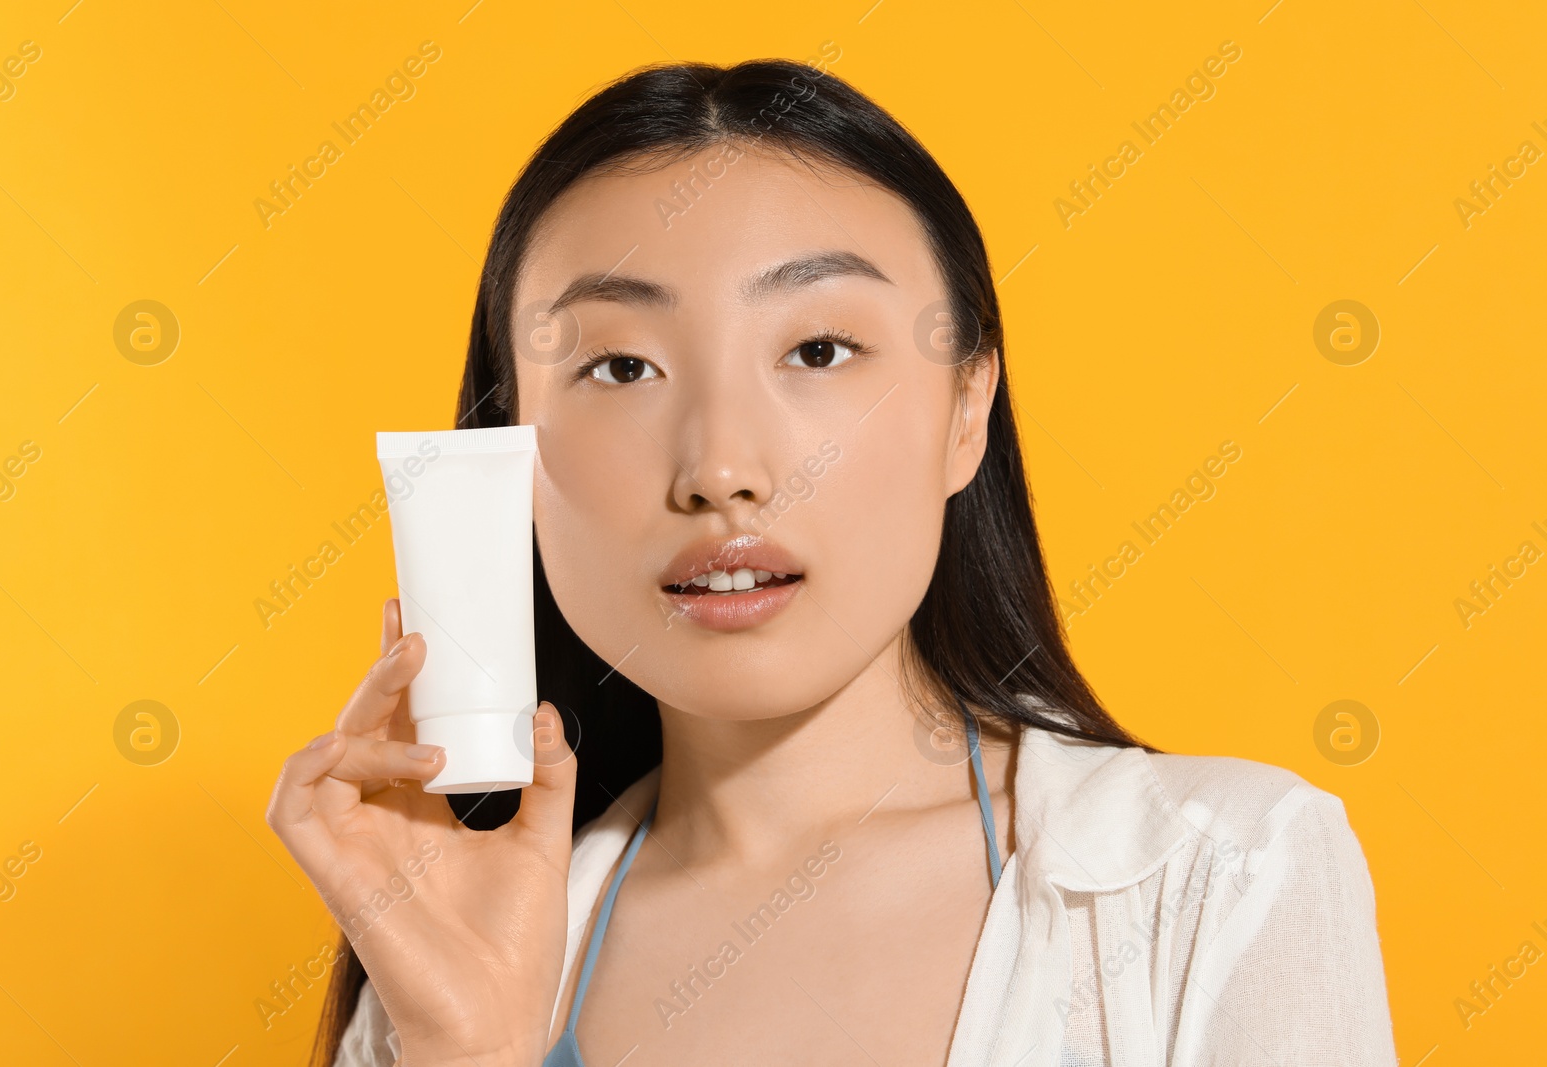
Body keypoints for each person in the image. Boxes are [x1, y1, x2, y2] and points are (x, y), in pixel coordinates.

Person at [267, 59, 1397, 1067]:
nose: (720, 467)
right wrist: (469, 1046)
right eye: (619, 367)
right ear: (506, 450)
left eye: (817, 348)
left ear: (967, 411)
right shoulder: (465, 944)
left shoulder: (1217, 877)